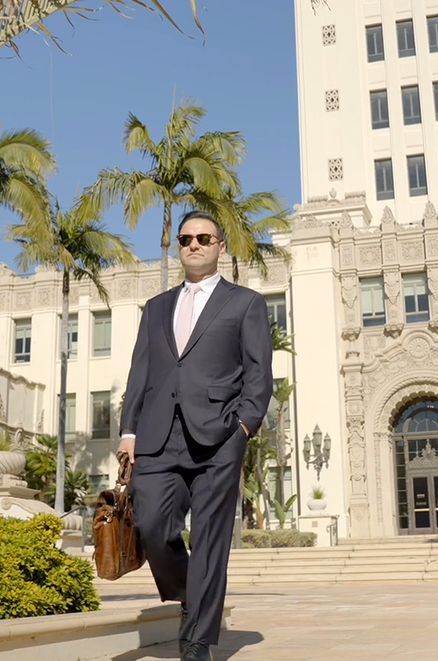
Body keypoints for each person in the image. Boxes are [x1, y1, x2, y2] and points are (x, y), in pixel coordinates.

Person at [117, 210, 273, 661]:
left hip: (220, 436)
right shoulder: (156, 307)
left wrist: (243, 428)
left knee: (210, 538)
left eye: (204, 237)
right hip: (158, 436)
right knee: (151, 524)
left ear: (221, 246)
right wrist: (129, 432)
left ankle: (197, 640)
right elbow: (140, 373)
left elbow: (259, 376)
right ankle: (196, 595)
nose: (194, 245)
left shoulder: (245, 303)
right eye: (186, 239)